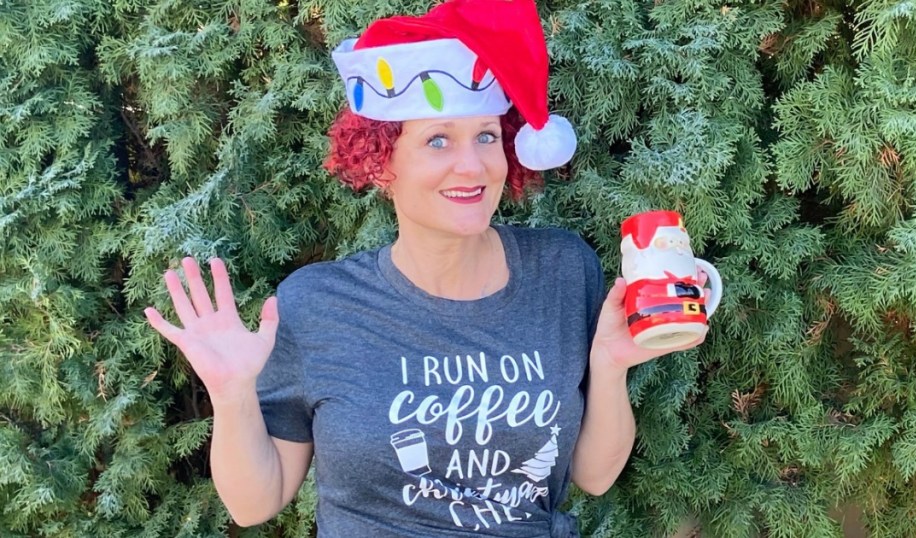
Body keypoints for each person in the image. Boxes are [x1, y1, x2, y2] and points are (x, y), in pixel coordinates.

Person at [144, 1, 706, 536]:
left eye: (486, 136)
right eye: (438, 140)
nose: (472, 164)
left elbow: (594, 475)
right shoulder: (318, 306)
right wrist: (233, 394)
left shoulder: (561, 270)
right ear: (380, 162)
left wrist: (609, 367)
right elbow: (254, 503)